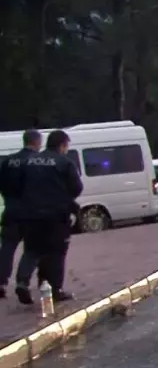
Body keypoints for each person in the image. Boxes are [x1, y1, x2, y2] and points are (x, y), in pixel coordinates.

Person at [12, 129, 82, 304]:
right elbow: (77, 188)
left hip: (30, 215)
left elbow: (17, 186)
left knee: (32, 250)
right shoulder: (64, 163)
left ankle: (22, 281)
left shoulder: (29, 161)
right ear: (62, 145)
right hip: (56, 215)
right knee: (56, 252)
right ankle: (54, 289)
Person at [0, 129, 42, 299]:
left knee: (7, 249)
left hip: (11, 211)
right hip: (31, 213)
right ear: (37, 142)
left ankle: (0, 283)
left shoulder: (8, 161)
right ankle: (22, 282)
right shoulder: (36, 161)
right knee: (32, 249)